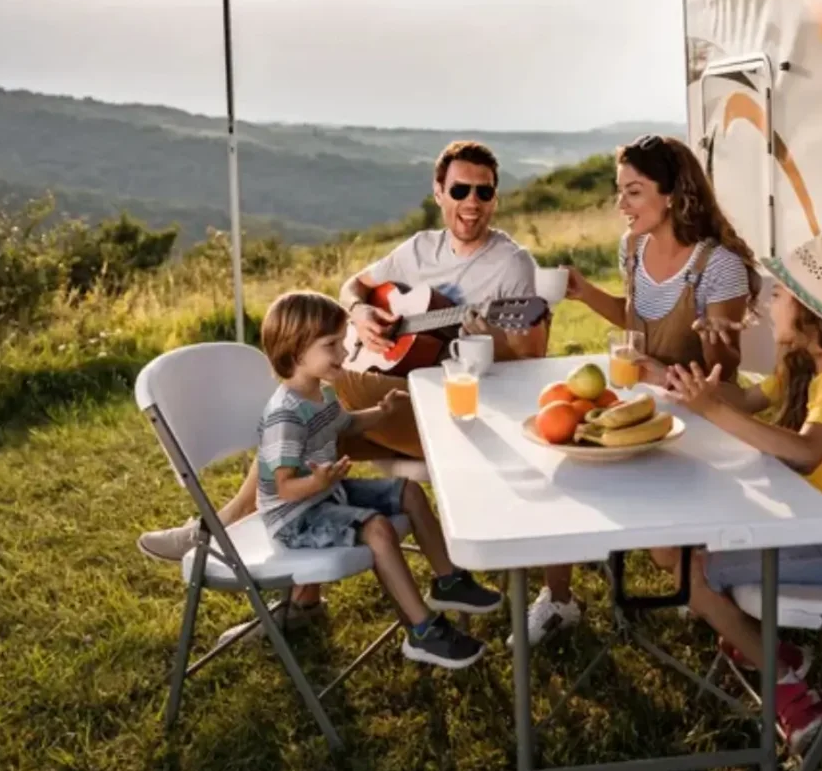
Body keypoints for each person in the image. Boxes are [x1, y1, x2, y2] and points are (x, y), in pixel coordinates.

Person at [137, 141, 547, 639]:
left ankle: (208, 531)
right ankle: (291, 592)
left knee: (311, 409)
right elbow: (354, 285)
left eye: (484, 192)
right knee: (309, 435)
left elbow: (531, 358)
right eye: (460, 190)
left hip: (458, 418)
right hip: (393, 407)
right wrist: (360, 311)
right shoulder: (419, 249)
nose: (472, 202)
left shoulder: (510, 264)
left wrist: (490, 336)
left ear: (496, 197)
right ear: (439, 192)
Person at [655, 233, 822, 753]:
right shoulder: (807, 362)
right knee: (669, 547)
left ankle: (788, 687)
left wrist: (711, 410)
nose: (770, 301)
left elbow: (804, 452)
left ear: (808, 309)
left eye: (779, 294)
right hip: (806, 522)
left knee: (691, 571)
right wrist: (676, 380)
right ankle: (768, 648)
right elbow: (745, 400)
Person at [513, 133, 762, 646]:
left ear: (671, 195)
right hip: (642, 404)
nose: (621, 205)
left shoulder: (717, 266)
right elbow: (634, 319)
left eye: (633, 192)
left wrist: (705, 346)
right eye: (619, 192)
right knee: (563, 468)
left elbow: (724, 372)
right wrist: (585, 293)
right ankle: (560, 596)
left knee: (595, 485)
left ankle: (703, 583)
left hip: (702, 421)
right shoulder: (633, 248)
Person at [253, 290, 501, 667]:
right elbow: (284, 488)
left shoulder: (320, 393)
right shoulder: (285, 416)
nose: (343, 353)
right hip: (296, 517)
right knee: (378, 529)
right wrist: (317, 483)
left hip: (326, 493)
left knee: (409, 492)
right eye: (331, 345)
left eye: (342, 342)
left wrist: (381, 412)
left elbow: (347, 424)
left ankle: (448, 581)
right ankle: (423, 631)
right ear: (296, 352)